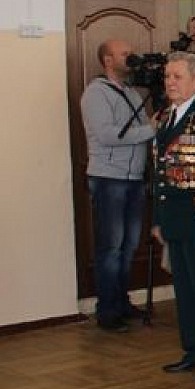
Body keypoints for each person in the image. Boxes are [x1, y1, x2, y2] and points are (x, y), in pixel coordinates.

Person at [81, 39, 156, 332]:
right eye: (125, 54)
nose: (132, 57)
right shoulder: (95, 94)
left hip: (134, 177)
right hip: (108, 177)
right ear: (108, 60)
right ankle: (108, 311)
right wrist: (151, 129)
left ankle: (122, 302)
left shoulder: (132, 93)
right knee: (110, 248)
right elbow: (108, 135)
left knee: (128, 246)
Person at [151, 52, 195, 372]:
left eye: (177, 77)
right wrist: (156, 220)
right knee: (185, 292)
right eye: (167, 77)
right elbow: (157, 171)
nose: (170, 83)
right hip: (172, 215)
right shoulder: (164, 115)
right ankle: (192, 350)